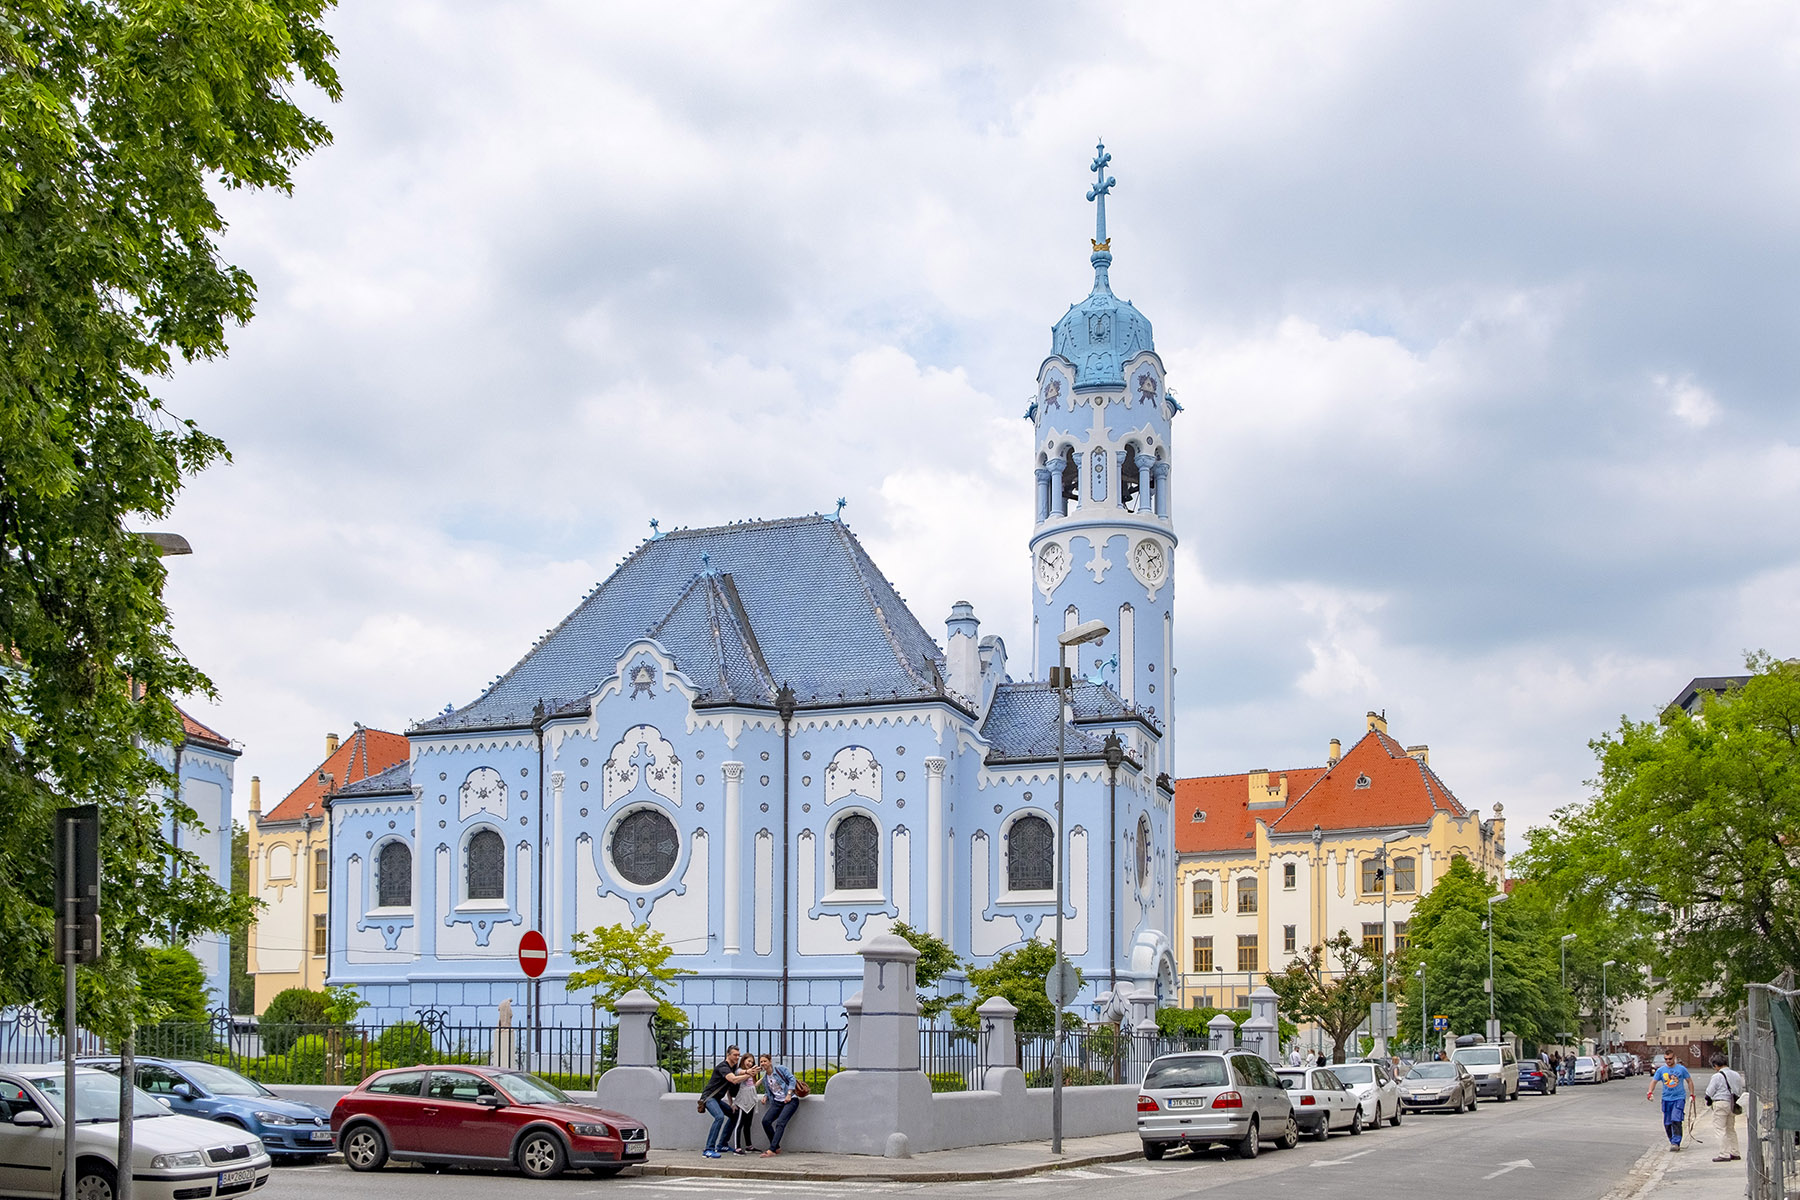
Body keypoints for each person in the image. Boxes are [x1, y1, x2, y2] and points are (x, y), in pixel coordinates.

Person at [701, 1046, 752, 1158]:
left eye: (739, 1055)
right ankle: (708, 1149)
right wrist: (749, 1074)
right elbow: (733, 1079)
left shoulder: (733, 1068)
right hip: (709, 1098)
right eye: (735, 1055)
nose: (737, 1057)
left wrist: (731, 1104)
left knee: (734, 1115)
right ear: (728, 1055)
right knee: (719, 1117)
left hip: (717, 1099)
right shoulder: (723, 1067)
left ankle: (722, 1145)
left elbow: (728, 1088)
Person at [1647, 1050, 1696, 1151]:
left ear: (1674, 1058)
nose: (1668, 1061)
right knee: (1667, 1122)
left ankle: (1676, 1142)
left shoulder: (1681, 1069)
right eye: (1666, 1059)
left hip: (1679, 1098)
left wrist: (1692, 1094)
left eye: (1670, 1059)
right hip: (1666, 1099)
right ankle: (1672, 1139)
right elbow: (1654, 1081)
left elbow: (1689, 1081)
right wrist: (1650, 1092)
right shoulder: (1661, 1070)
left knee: (1676, 1119)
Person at [1703, 1052, 1743, 1163]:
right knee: (1731, 1129)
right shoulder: (1736, 1075)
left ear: (1715, 1065)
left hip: (1720, 1103)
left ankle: (1724, 1154)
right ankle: (1735, 1152)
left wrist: (1708, 1099)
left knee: (1720, 1129)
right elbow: (1739, 1090)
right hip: (1732, 1104)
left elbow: (1709, 1092)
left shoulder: (1717, 1076)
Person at [759, 1053, 801, 1156]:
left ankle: (772, 1149)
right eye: (761, 1062)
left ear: (770, 1061)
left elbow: (792, 1079)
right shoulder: (765, 1078)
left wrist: (789, 1094)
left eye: (765, 1061)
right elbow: (771, 1090)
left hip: (790, 1101)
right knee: (766, 1121)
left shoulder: (780, 1069)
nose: (763, 1063)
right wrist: (765, 1096)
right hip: (777, 1102)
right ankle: (776, 1147)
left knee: (780, 1123)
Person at [729, 1057, 762, 1152]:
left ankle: (749, 1146)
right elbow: (740, 1073)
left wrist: (763, 1077)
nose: (750, 1063)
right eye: (748, 1061)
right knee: (739, 1124)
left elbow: (753, 1085)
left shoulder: (751, 1075)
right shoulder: (739, 1070)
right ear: (743, 1060)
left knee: (748, 1124)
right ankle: (737, 1147)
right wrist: (750, 1071)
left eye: (752, 1062)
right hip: (742, 1101)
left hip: (751, 1100)